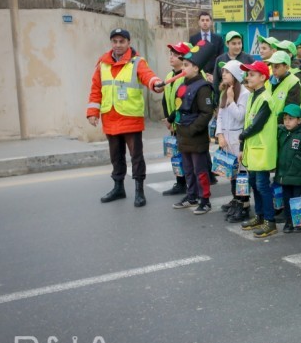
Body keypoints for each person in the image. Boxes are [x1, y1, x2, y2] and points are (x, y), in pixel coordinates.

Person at [87, 28, 163, 207]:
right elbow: (96, 89)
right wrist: (92, 112)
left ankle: (139, 191)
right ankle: (118, 188)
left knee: (136, 156)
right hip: (110, 118)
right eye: (115, 41)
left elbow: (148, 76)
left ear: (128, 43)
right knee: (116, 156)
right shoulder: (102, 64)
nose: (118, 45)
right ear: (111, 43)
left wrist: (155, 84)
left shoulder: (137, 62)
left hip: (130, 117)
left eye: (122, 41)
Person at [171, 44, 216, 215]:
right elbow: (180, 106)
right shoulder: (184, 84)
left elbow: (206, 113)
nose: (183, 68)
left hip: (195, 136)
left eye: (186, 65)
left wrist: (192, 129)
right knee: (187, 169)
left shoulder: (203, 87)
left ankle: (205, 200)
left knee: (200, 171)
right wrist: (171, 118)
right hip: (183, 134)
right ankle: (191, 196)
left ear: (196, 68)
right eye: (183, 65)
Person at [238, 61, 279, 238]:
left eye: (252, 74)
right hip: (252, 149)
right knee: (254, 184)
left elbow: (256, 125)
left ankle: (270, 221)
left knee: (262, 185)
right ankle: (260, 216)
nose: (248, 77)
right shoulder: (252, 96)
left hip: (262, 150)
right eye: (248, 74)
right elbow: (248, 122)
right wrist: (242, 147)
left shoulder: (266, 98)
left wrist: (241, 136)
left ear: (263, 77)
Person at [216, 60, 251, 223]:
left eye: (227, 72)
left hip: (238, 140)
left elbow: (240, 116)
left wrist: (230, 100)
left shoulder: (244, 94)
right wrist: (220, 135)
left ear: (236, 75)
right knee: (231, 174)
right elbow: (220, 117)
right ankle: (236, 201)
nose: (224, 75)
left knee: (241, 175)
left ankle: (244, 205)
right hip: (227, 139)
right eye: (223, 72)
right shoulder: (225, 92)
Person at [276, 104, 301, 233]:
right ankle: (289, 221)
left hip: (299, 174)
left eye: (291, 118)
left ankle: (299, 222)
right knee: (287, 200)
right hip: (284, 174)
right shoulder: (282, 133)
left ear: (299, 120)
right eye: (285, 119)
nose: (287, 122)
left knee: (298, 200)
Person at [161, 41, 190, 197]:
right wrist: (167, 119)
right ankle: (180, 182)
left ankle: (188, 184)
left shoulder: (185, 76)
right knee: (176, 155)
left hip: (182, 123)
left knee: (186, 155)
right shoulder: (169, 75)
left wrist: (173, 121)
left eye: (175, 54)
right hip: (172, 123)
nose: (171, 57)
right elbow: (165, 100)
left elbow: (183, 103)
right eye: (170, 54)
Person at [266, 50, 301, 123]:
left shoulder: (293, 82)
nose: (273, 70)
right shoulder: (268, 81)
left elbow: (291, 110)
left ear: (287, 67)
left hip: (282, 127)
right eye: (272, 66)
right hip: (267, 125)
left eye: (277, 67)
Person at [189, 11, 224, 80]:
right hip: (198, 75)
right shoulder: (193, 39)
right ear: (199, 22)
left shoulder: (218, 39)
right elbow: (191, 59)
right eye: (202, 20)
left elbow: (221, 57)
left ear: (211, 22)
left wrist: (215, 75)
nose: (205, 22)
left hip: (214, 75)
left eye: (207, 20)